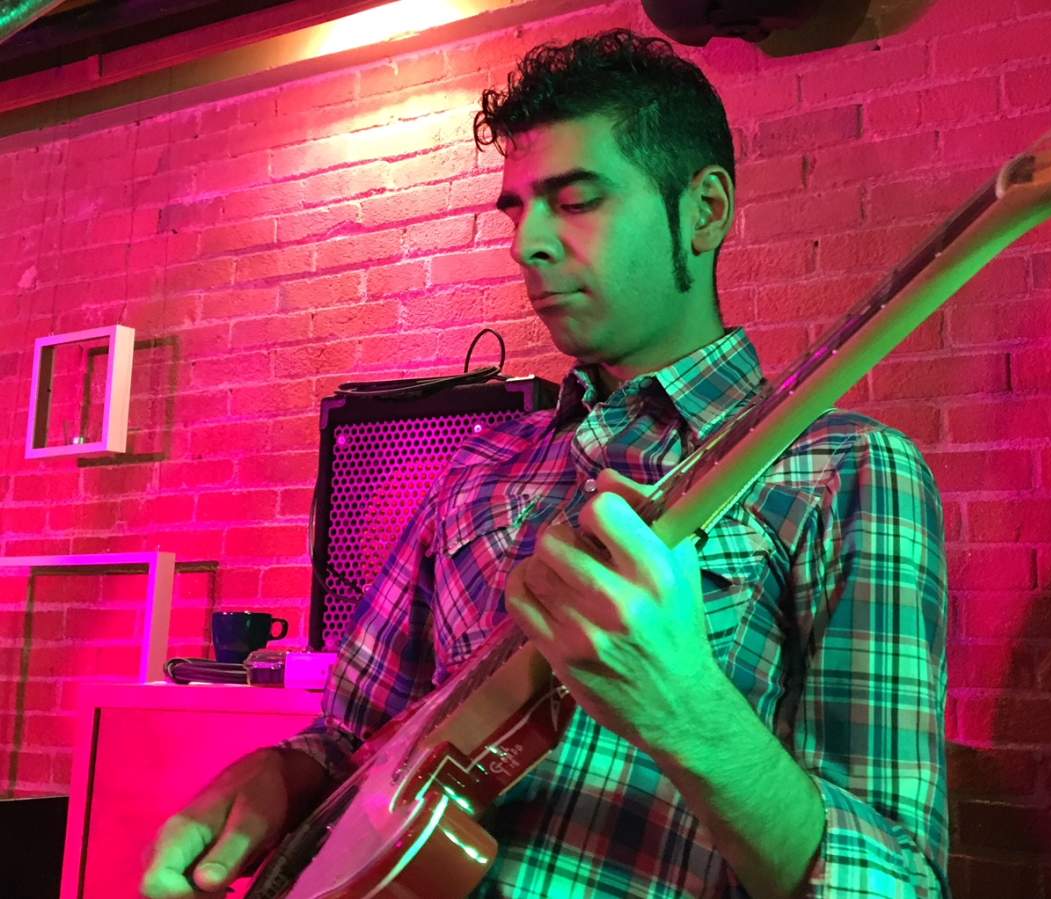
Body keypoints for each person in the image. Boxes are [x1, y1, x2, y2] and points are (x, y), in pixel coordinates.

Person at [142, 29, 948, 899]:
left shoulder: (843, 472)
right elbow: (347, 735)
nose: (528, 244)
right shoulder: (479, 471)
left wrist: (688, 710)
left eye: (575, 200)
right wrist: (276, 779)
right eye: (517, 210)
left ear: (705, 210)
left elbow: (894, 884)